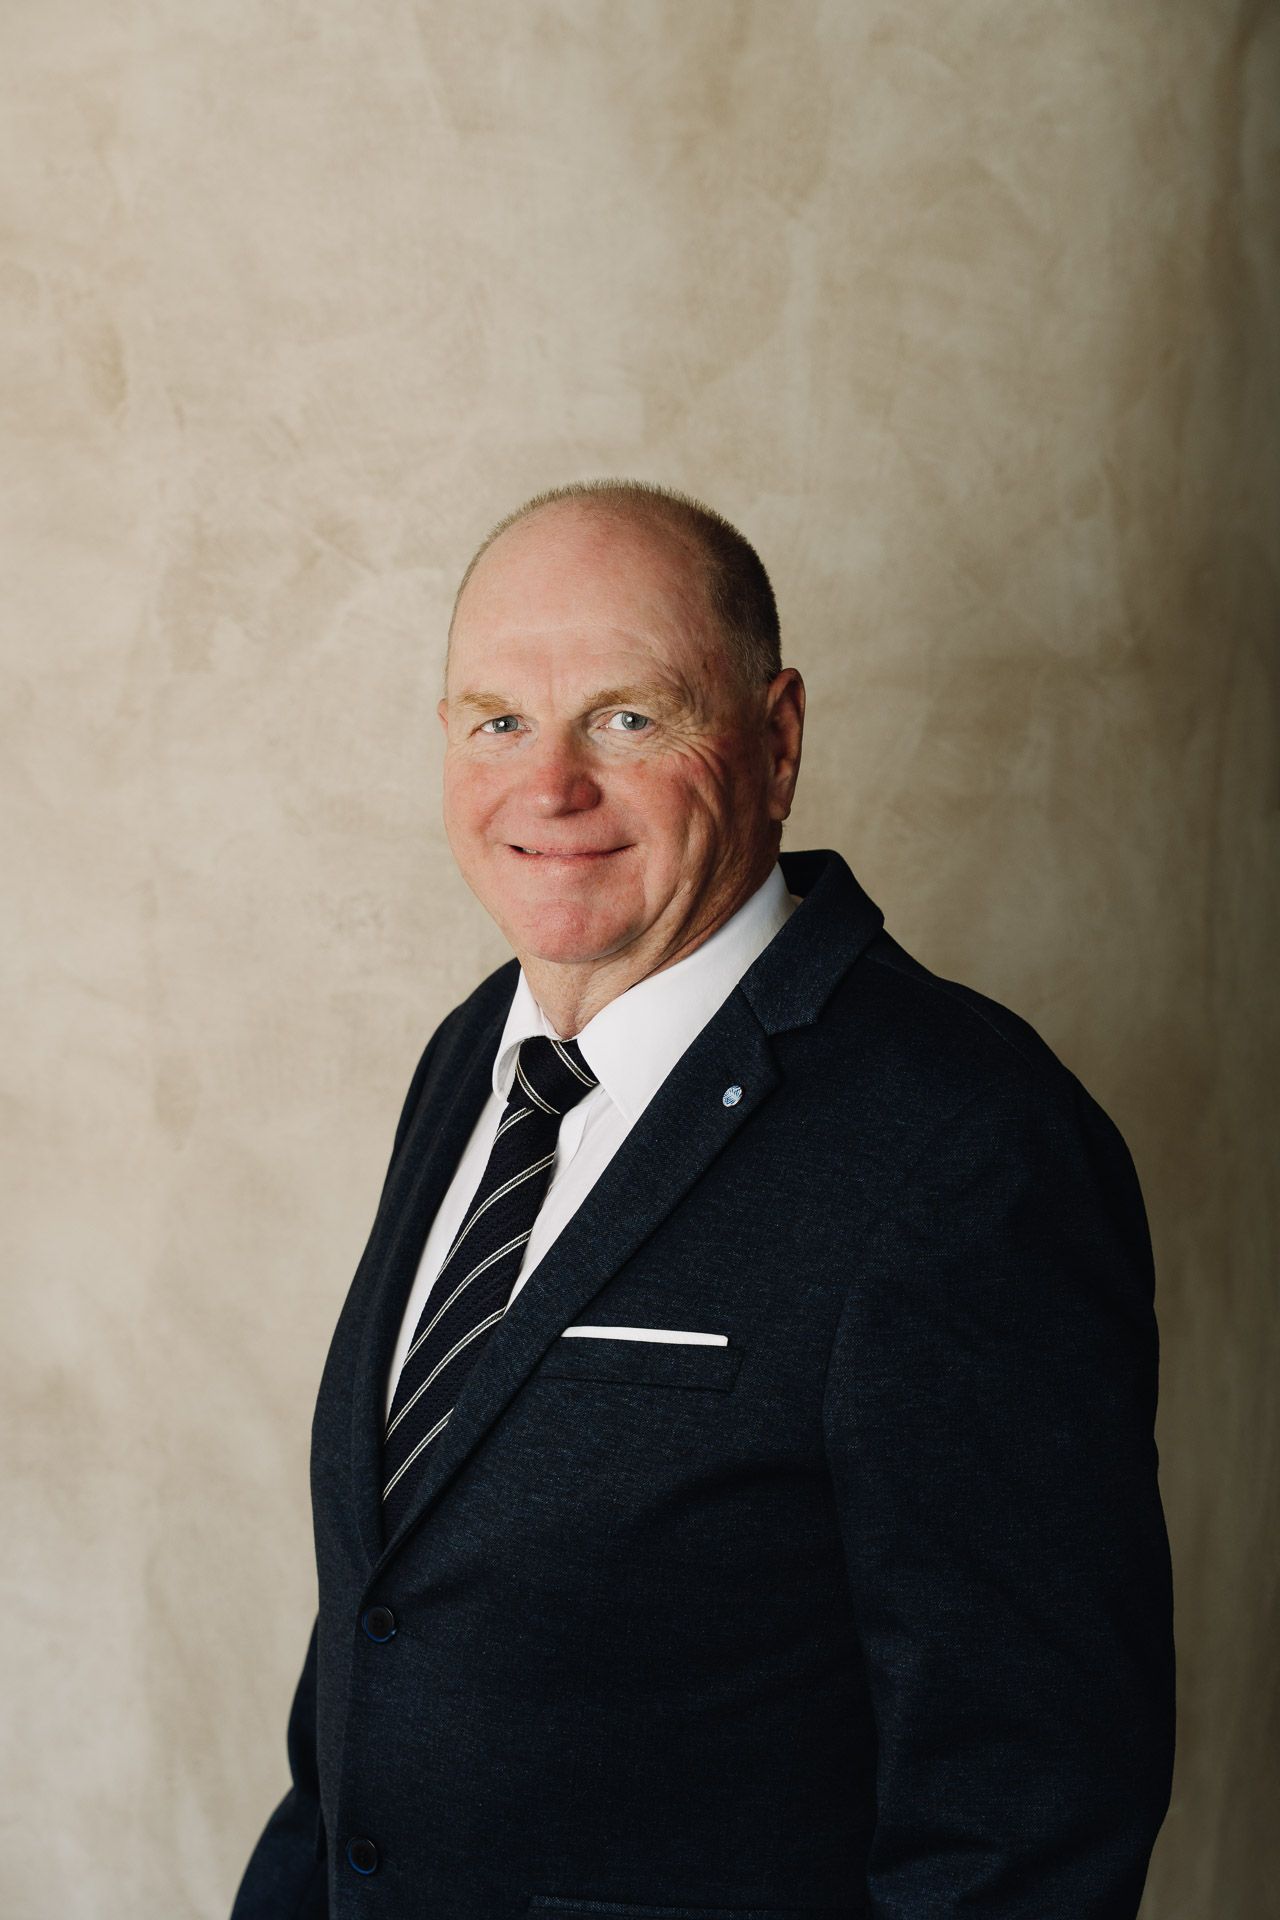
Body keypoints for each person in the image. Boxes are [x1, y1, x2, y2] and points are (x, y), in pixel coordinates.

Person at [230, 480, 1175, 1920]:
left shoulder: (968, 1151)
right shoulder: (477, 1057)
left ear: (777, 739)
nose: (548, 787)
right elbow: (387, 1628)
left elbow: (1027, 1813)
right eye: (498, 719)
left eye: (627, 717)